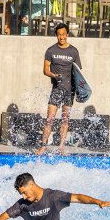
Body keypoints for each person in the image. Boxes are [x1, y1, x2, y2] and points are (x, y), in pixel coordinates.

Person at [36, 23, 82, 156]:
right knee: (49, 119)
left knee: (65, 119)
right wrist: (54, 75)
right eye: (59, 34)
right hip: (57, 89)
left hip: (70, 90)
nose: (61, 37)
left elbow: (78, 73)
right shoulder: (51, 50)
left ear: (67, 35)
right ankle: (43, 147)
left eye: (63, 34)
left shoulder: (74, 51)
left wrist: (80, 91)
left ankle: (61, 147)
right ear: (56, 35)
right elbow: (45, 70)